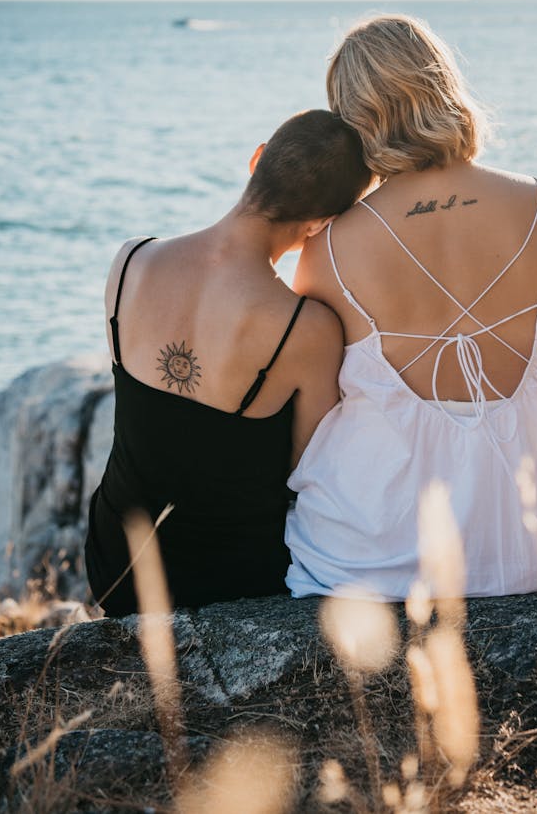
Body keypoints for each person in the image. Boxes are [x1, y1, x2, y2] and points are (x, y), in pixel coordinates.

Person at [286, 15, 537, 600]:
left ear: (353, 120)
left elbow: (310, 425)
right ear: (444, 86)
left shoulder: (329, 251)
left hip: (386, 551)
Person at [85, 109, 370, 615]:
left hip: (113, 563)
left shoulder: (129, 261)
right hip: (227, 582)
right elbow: (306, 467)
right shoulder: (306, 329)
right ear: (322, 223)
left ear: (256, 158)